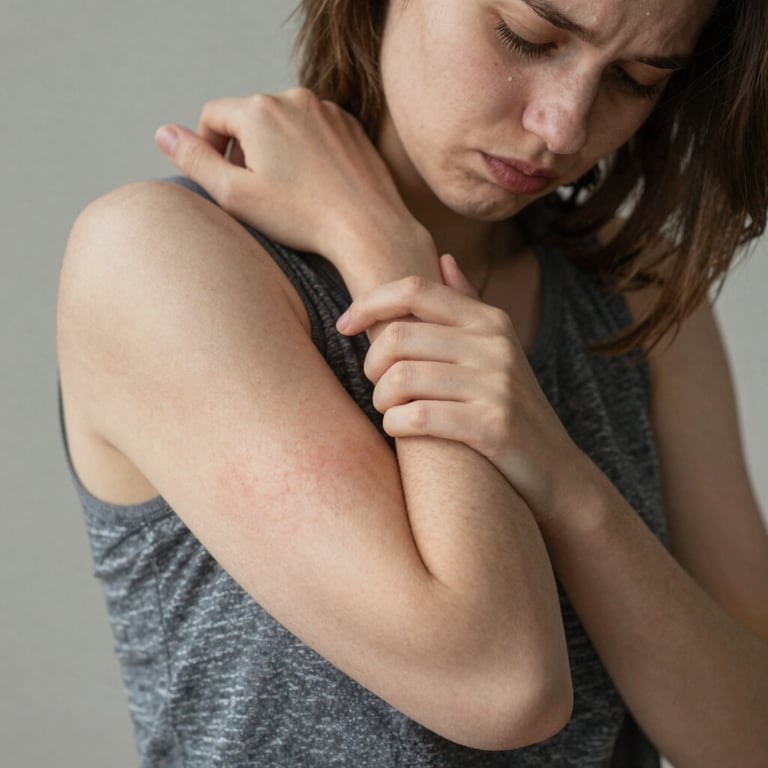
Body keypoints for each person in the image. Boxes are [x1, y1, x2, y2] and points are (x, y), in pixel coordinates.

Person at [57, 0, 768, 765]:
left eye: (634, 79)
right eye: (527, 36)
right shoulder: (158, 258)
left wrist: (564, 478)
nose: (563, 127)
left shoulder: (635, 293)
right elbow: (503, 683)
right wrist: (389, 252)